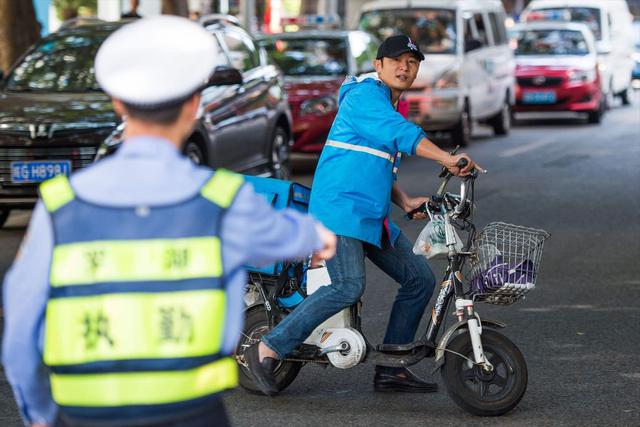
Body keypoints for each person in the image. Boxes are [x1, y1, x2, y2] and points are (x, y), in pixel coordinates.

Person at [2, 16, 336, 427]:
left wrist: (37, 413)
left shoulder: (59, 205)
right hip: (189, 412)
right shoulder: (223, 200)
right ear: (194, 105)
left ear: (117, 104)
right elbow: (296, 236)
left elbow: (20, 332)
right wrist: (317, 236)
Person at [246, 34, 481, 395]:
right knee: (348, 285)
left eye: (412, 62)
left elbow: (377, 163)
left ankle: (392, 370)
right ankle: (267, 348)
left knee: (419, 280)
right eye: (396, 60)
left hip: (370, 215)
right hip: (339, 210)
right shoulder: (363, 97)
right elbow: (398, 134)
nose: (405, 67)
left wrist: (402, 201)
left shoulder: (391, 104)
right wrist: (448, 158)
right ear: (378, 65)